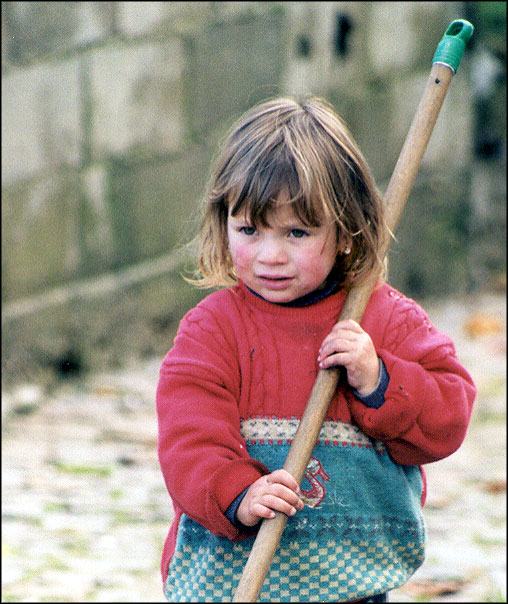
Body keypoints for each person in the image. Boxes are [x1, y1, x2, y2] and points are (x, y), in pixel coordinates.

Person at [156, 96, 476, 603]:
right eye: (249, 230)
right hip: (237, 578)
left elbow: (448, 418)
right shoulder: (212, 332)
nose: (270, 256)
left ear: (347, 231)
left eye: (298, 232)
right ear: (223, 224)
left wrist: (378, 380)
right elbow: (188, 442)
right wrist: (238, 493)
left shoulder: (385, 319)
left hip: (349, 578)